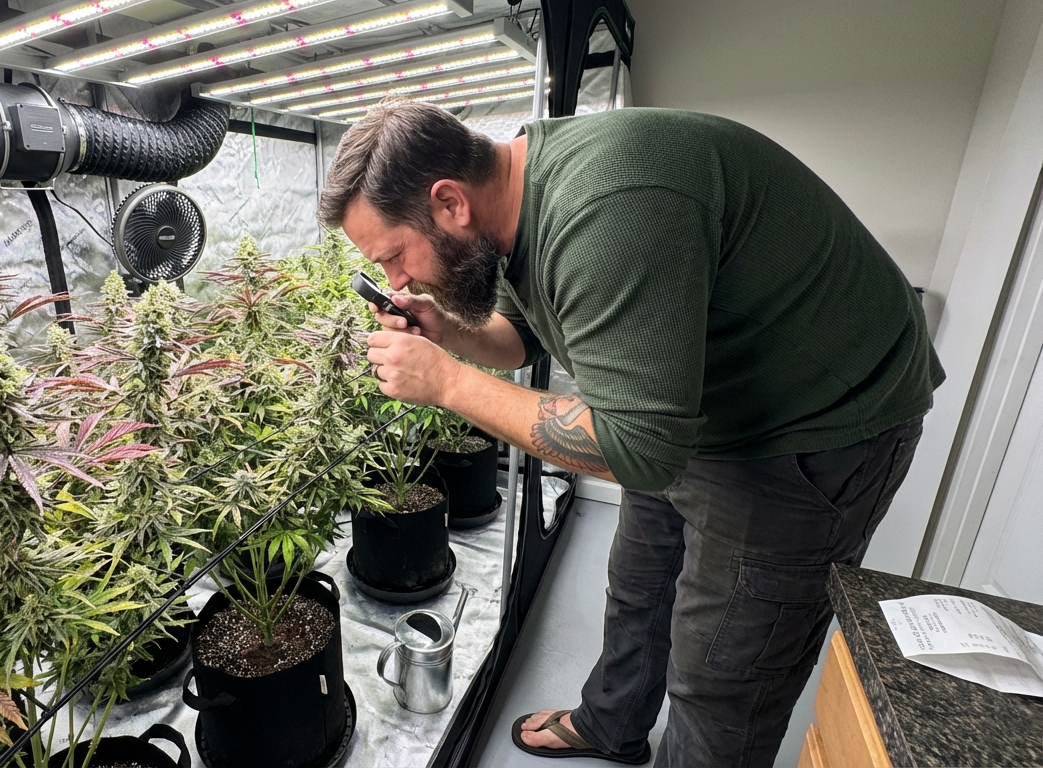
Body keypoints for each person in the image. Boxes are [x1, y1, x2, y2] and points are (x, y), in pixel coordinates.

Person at [317, 98, 943, 768]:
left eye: (394, 255)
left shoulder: (608, 209)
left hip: (810, 426)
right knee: (640, 582)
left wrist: (446, 383)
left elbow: (638, 450)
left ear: (449, 203)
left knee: (724, 673)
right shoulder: (511, 203)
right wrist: (448, 331)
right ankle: (612, 724)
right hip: (686, 406)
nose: (396, 280)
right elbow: (521, 337)